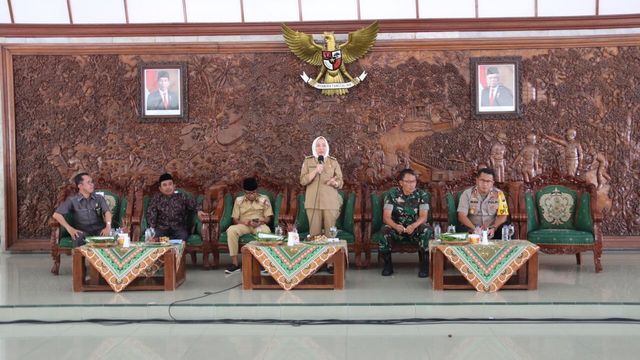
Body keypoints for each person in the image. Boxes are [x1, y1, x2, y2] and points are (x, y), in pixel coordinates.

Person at [379, 169, 432, 277]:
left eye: (413, 181)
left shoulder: (422, 195)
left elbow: (423, 217)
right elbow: (386, 217)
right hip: (397, 228)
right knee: (384, 230)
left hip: (415, 228)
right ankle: (387, 265)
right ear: (401, 183)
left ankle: (424, 265)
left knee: (426, 229)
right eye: (408, 182)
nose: (411, 184)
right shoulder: (392, 194)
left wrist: (413, 225)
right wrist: (395, 226)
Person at [224, 177, 273, 274]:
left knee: (265, 232)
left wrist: (261, 222)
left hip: (259, 224)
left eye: (253, 193)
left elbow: (268, 218)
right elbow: (235, 219)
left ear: (256, 191)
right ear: (244, 191)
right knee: (231, 230)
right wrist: (244, 222)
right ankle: (235, 264)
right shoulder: (238, 200)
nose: (250, 195)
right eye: (248, 193)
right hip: (244, 225)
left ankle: (262, 263)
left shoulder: (264, 199)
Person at [52, 172, 112, 247]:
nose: (92, 184)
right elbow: (56, 215)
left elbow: (107, 212)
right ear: (80, 186)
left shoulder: (99, 198)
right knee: (77, 236)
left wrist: (108, 226)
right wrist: (69, 229)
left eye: (92, 182)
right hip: (83, 231)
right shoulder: (72, 200)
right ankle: (79, 258)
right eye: (88, 182)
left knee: (108, 236)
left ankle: (104, 258)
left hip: (99, 230)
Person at [299, 136, 343, 238]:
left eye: (323, 145)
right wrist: (315, 171)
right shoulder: (308, 161)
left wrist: (334, 183)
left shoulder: (333, 162)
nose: (321, 148)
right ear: (314, 147)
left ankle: (332, 254)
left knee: (331, 235)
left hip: (330, 202)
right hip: (312, 202)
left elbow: (340, 182)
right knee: (314, 236)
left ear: (327, 147)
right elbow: (303, 181)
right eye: (318, 145)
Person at [146, 173, 205, 242]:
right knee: (155, 237)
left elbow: (194, 204)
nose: (168, 187)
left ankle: (166, 241)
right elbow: (151, 214)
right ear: (160, 189)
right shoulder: (156, 199)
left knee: (183, 235)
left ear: (174, 186)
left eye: (170, 184)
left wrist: (199, 211)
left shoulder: (182, 197)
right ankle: (168, 241)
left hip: (178, 228)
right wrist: (152, 228)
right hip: (161, 228)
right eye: (164, 185)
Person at [457, 168, 509, 239]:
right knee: (459, 228)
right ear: (477, 180)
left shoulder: (499, 194)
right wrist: (474, 229)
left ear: (492, 183)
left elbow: (503, 215)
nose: (485, 184)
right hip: (472, 230)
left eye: (488, 181)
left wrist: (494, 227)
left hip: (492, 230)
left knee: (506, 228)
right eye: (482, 180)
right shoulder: (467, 194)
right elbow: (461, 215)